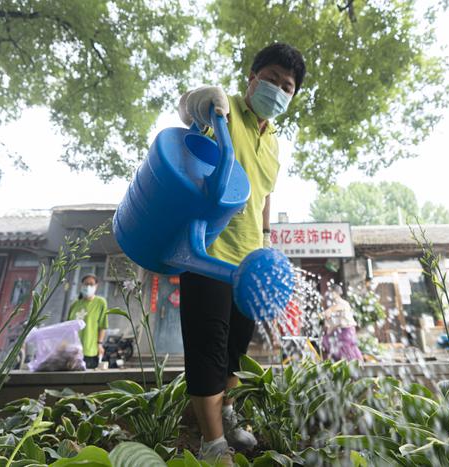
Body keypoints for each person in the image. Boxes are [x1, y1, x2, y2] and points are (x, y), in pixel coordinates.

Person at [177, 43, 306, 464]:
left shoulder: (274, 145)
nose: (277, 89)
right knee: (207, 347)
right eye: (270, 79)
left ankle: (226, 416)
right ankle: (212, 445)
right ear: (251, 78)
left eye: (286, 86)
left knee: (235, 348)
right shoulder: (225, 109)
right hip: (208, 251)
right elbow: (189, 113)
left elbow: (266, 193)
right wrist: (198, 101)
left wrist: (267, 242)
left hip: (249, 261)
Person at [67, 274, 108, 369]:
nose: (88, 286)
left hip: (90, 350)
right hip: (74, 350)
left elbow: (102, 325)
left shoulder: (100, 302)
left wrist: (100, 344)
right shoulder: (75, 304)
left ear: (96, 286)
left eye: (91, 284)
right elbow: (68, 326)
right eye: (86, 284)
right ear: (81, 285)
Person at [322, 285, 362, 361]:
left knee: (344, 347)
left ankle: (350, 363)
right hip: (341, 329)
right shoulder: (335, 303)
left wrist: (327, 312)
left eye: (332, 292)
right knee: (328, 340)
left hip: (347, 329)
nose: (330, 294)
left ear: (336, 293)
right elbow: (334, 319)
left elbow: (334, 309)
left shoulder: (342, 303)